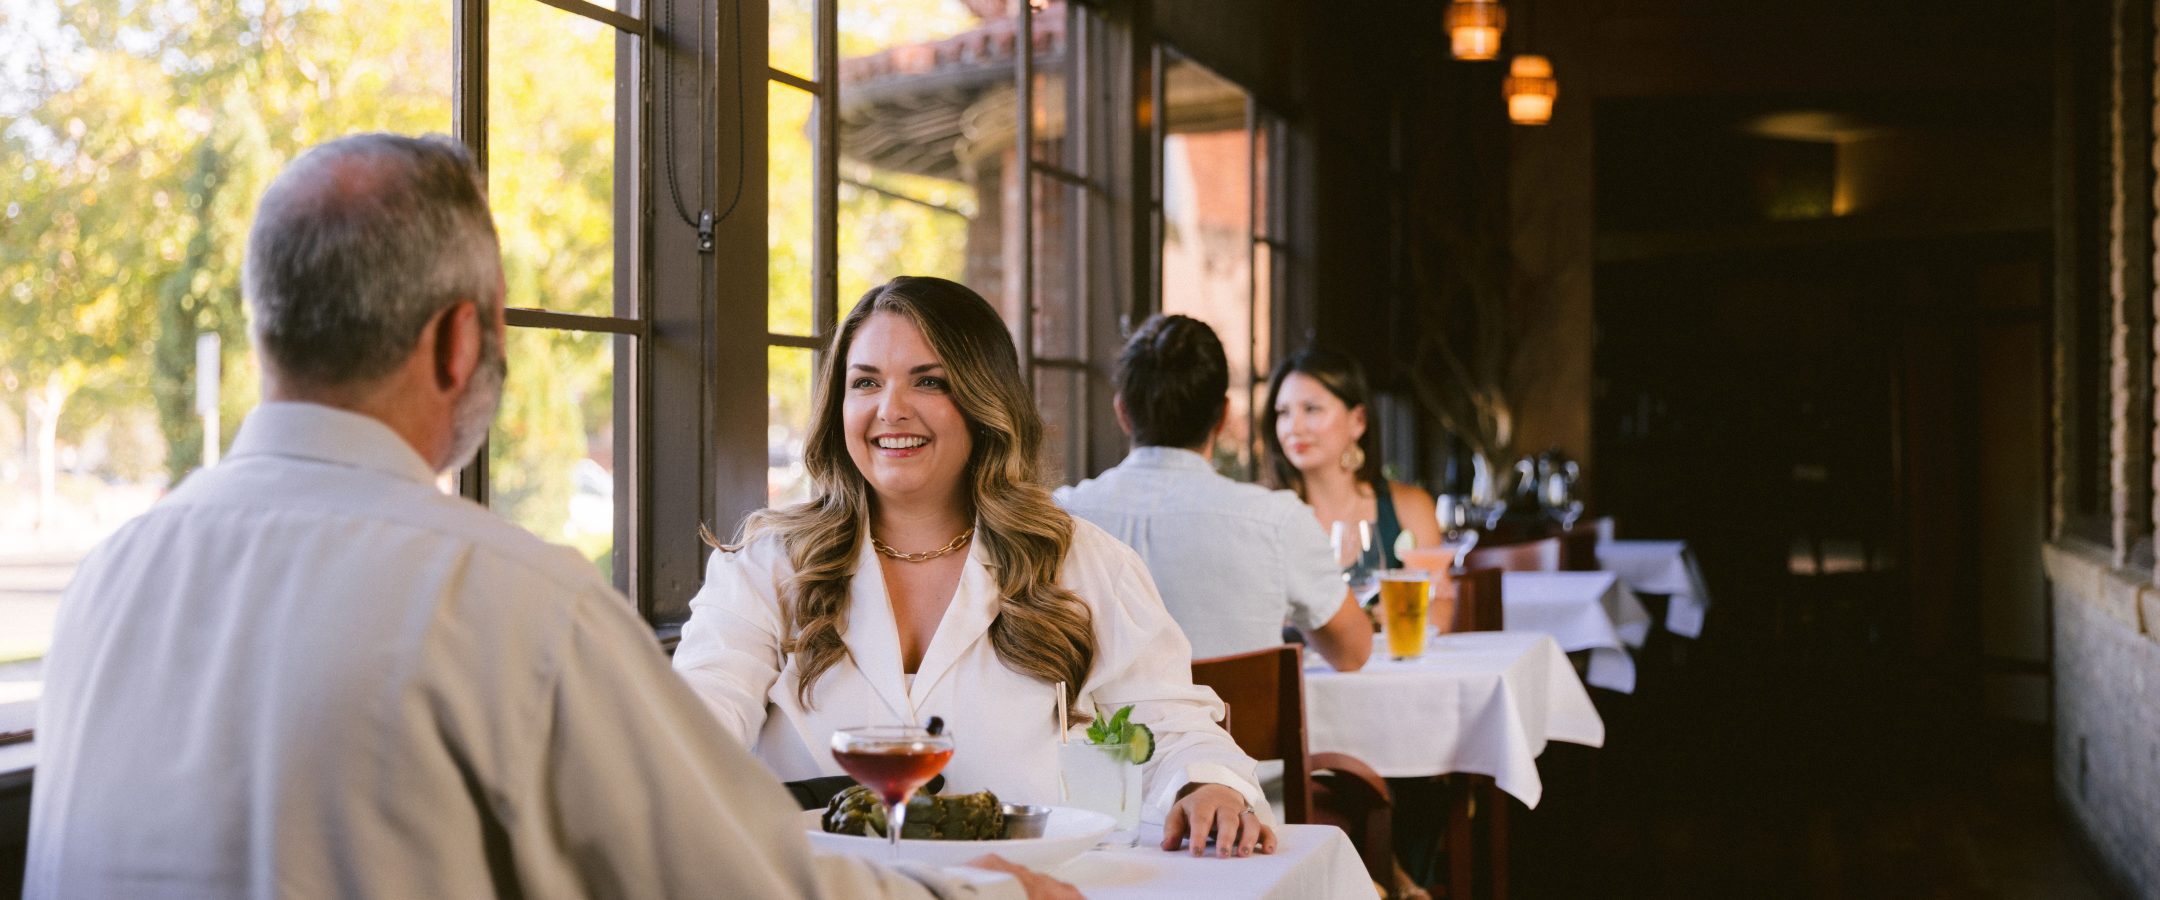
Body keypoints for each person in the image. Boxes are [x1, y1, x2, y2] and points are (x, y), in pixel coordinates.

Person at [25, 134, 1072, 900]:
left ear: (268, 331)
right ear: (457, 343)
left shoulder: (108, 580)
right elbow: (725, 879)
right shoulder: (511, 605)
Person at [674, 277, 1277, 859]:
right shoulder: (767, 564)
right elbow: (698, 712)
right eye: (865, 382)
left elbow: (1169, 721)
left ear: (986, 402)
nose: (891, 409)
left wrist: (1207, 785)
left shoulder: (1084, 562)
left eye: (929, 382)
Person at [1055, 314, 1372, 672]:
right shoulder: (1276, 521)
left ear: (1123, 412)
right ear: (1222, 416)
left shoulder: (1059, 515)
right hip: (1233, 729)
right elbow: (1353, 653)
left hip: (1100, 729)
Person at [1262, 349, 1441, 569]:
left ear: (1358, 421)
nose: (1293, 428)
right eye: (1283, 412)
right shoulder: (1262, 516)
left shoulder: (1410, 507)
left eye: (1311, 409)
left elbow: (1434, 601)